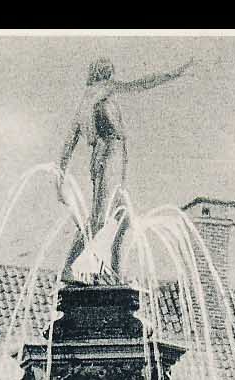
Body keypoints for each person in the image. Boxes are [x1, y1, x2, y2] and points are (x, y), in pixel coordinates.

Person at [56, 56, 193, 281]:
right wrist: (173, 74)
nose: (112, 77)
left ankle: (116, 274)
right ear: (103, 74)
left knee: (124, 219)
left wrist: (59, 179)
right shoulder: (102, 90)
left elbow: (70, 139)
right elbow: (140, 84)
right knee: (100, 219)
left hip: (111, 157)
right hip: (109, 156)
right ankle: (69, 267)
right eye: (109, 73)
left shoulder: (89, 99)